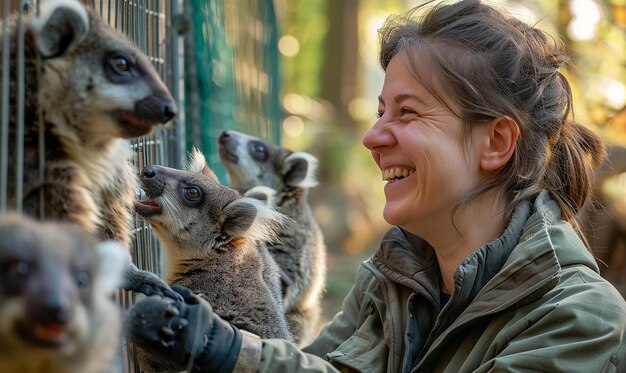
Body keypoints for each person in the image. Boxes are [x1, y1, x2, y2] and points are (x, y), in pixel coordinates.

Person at [125, 0, 626, 371]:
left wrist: (232, 350)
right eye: (379, 111)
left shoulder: (580, 318)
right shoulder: (393, 276)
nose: (371, 137)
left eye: (407, 112)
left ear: (496, 142)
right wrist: (222, 348)